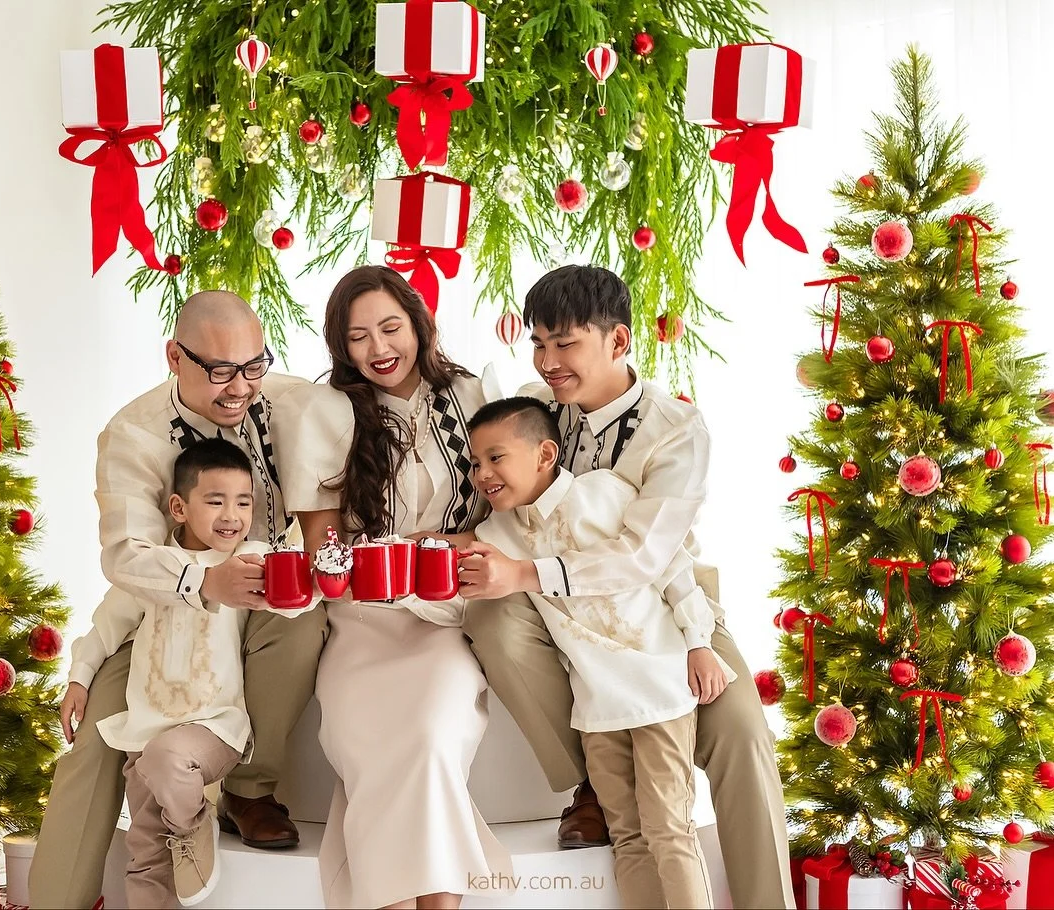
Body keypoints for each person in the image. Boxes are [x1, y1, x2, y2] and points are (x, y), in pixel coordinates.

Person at [460, 265, 794, 909]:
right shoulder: (536, 407)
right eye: (539, 343)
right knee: (490, 619)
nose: (549, 362)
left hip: (664, 601)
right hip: (558, 606)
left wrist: (528, 573)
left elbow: (647, 555)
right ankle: (590, 782)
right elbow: (501, 499)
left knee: (742, 735)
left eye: (566, 344)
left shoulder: (676, 429)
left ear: (617, 341)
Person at [31, 292, 329, 908]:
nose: (240, 387)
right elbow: (125, 557)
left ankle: (248, 791)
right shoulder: (133, 435)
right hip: (164, 609)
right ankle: (55, 901)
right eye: (219, 370)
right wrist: (202, 582)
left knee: (301, 626)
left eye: (253, 366)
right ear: (174, 357)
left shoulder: (290, 403)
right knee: (95, 740)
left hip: (263, 601)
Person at [272, 265, 512, 910]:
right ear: (340, 346)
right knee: (373, 743)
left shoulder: (472, 395)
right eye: (358, 337)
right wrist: (360, 562)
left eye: (390, 328)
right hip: (363, 617)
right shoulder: (327, 411)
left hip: (446, 613)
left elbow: (512, 509)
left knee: (431, 737)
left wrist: (446, 549)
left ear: (418, 324)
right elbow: (322, 543)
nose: (378, 348)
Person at [463, 397, 732, 908]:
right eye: (475, 463)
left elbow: (672, 568)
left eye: (496, 458)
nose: (482, 474)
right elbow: (461, 568)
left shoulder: (604, 492)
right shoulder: (497, 534)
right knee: (627, 836)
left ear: (545, 455)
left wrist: (699, 642)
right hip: (596, 707)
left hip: (658, 689)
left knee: (668, 829)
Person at [74, 438, 320, 907]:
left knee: (167, 761)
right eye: (216, 501)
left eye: (243, 502)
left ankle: (192, 825)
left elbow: (292, 605)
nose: (232, 515)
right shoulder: (152, 569)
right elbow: (106, 626)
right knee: (145, 856)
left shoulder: (248, 560)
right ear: (179, 508)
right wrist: (78, 679)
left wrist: (312, 577)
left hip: (213, 726)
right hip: (146, 732)